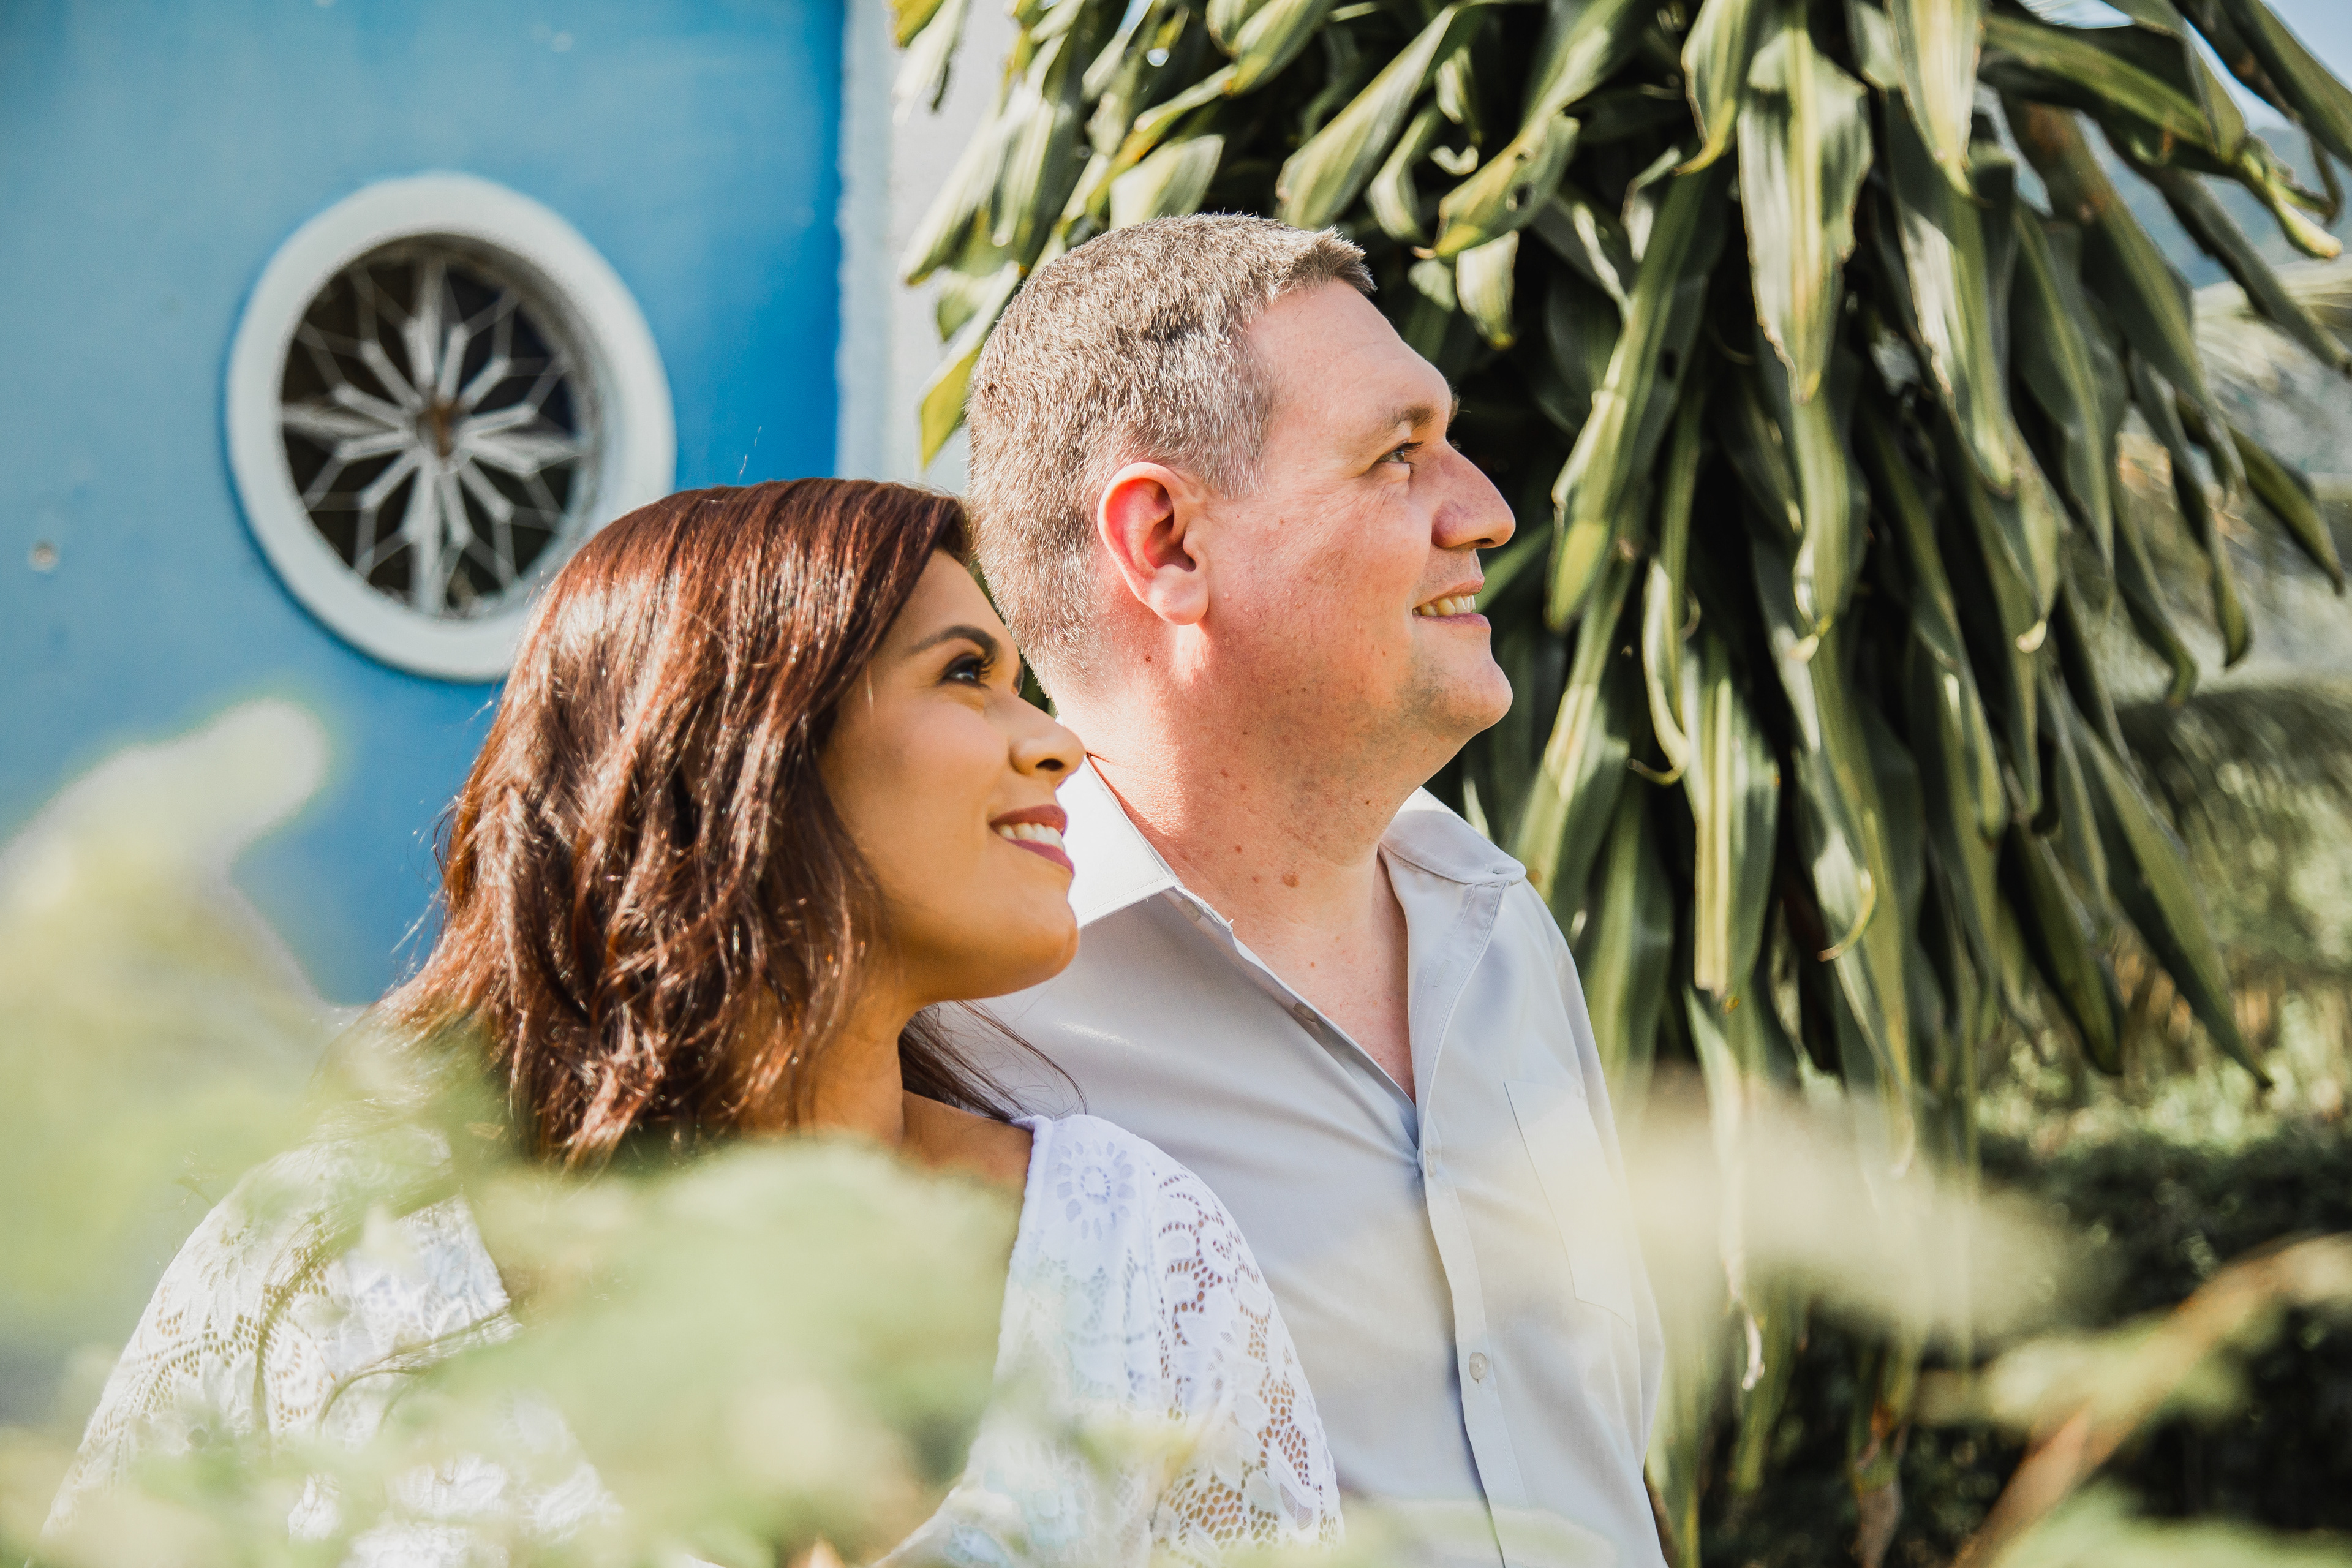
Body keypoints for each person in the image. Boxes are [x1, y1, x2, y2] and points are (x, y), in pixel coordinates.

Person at [48, 480, 1341, 1567]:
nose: (1055, 744)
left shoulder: (1136, 1254)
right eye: (966, 672)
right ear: (742, 744)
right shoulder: (341, 1258)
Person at [951, 215, 1664, 1568]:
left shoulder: (1500, 926)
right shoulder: (971, 1028)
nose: (1488, 511)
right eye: (1399, 454)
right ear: (1166, 541)